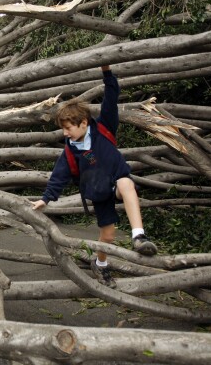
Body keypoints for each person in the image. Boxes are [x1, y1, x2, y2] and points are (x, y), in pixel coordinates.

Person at [32, 65, 157, 288]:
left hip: (117, 183)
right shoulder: (70, 151)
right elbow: (58, 177)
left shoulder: (104, 128)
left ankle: (139, 236)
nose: (65, 133)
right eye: (63, 129)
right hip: (100, 194)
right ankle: (100, 264)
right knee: (107, 237)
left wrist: (107, 73)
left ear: (84, 123)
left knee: (126, 182)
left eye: (68, 128)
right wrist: (46, 199)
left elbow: (111, 96)